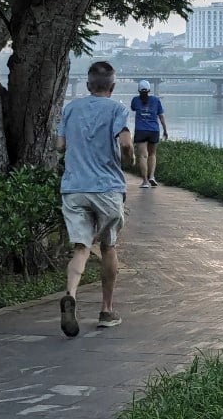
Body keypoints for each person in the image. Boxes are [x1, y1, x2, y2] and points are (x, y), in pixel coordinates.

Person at [55, 61, 134, 338]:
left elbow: (60, 145)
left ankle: (70, 295)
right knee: (109, 247)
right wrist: (130, 159)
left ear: (88, 85)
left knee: (81, 248)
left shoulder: (71, 109)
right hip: (106, 188)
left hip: (74, 187)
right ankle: (106, 310)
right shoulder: (117, 109)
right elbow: (125, 144)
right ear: (112, 87)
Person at [129, 80, 168, 187]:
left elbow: (132, 108)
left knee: (142, 156)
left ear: (138, 90)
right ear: (149, 89)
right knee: (152, 154)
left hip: (141, 130)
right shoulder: (156, 100)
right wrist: (165, 130)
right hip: (154, 130)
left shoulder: (135, 100)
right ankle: (152, 176)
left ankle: (145, 181)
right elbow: (161, 116)